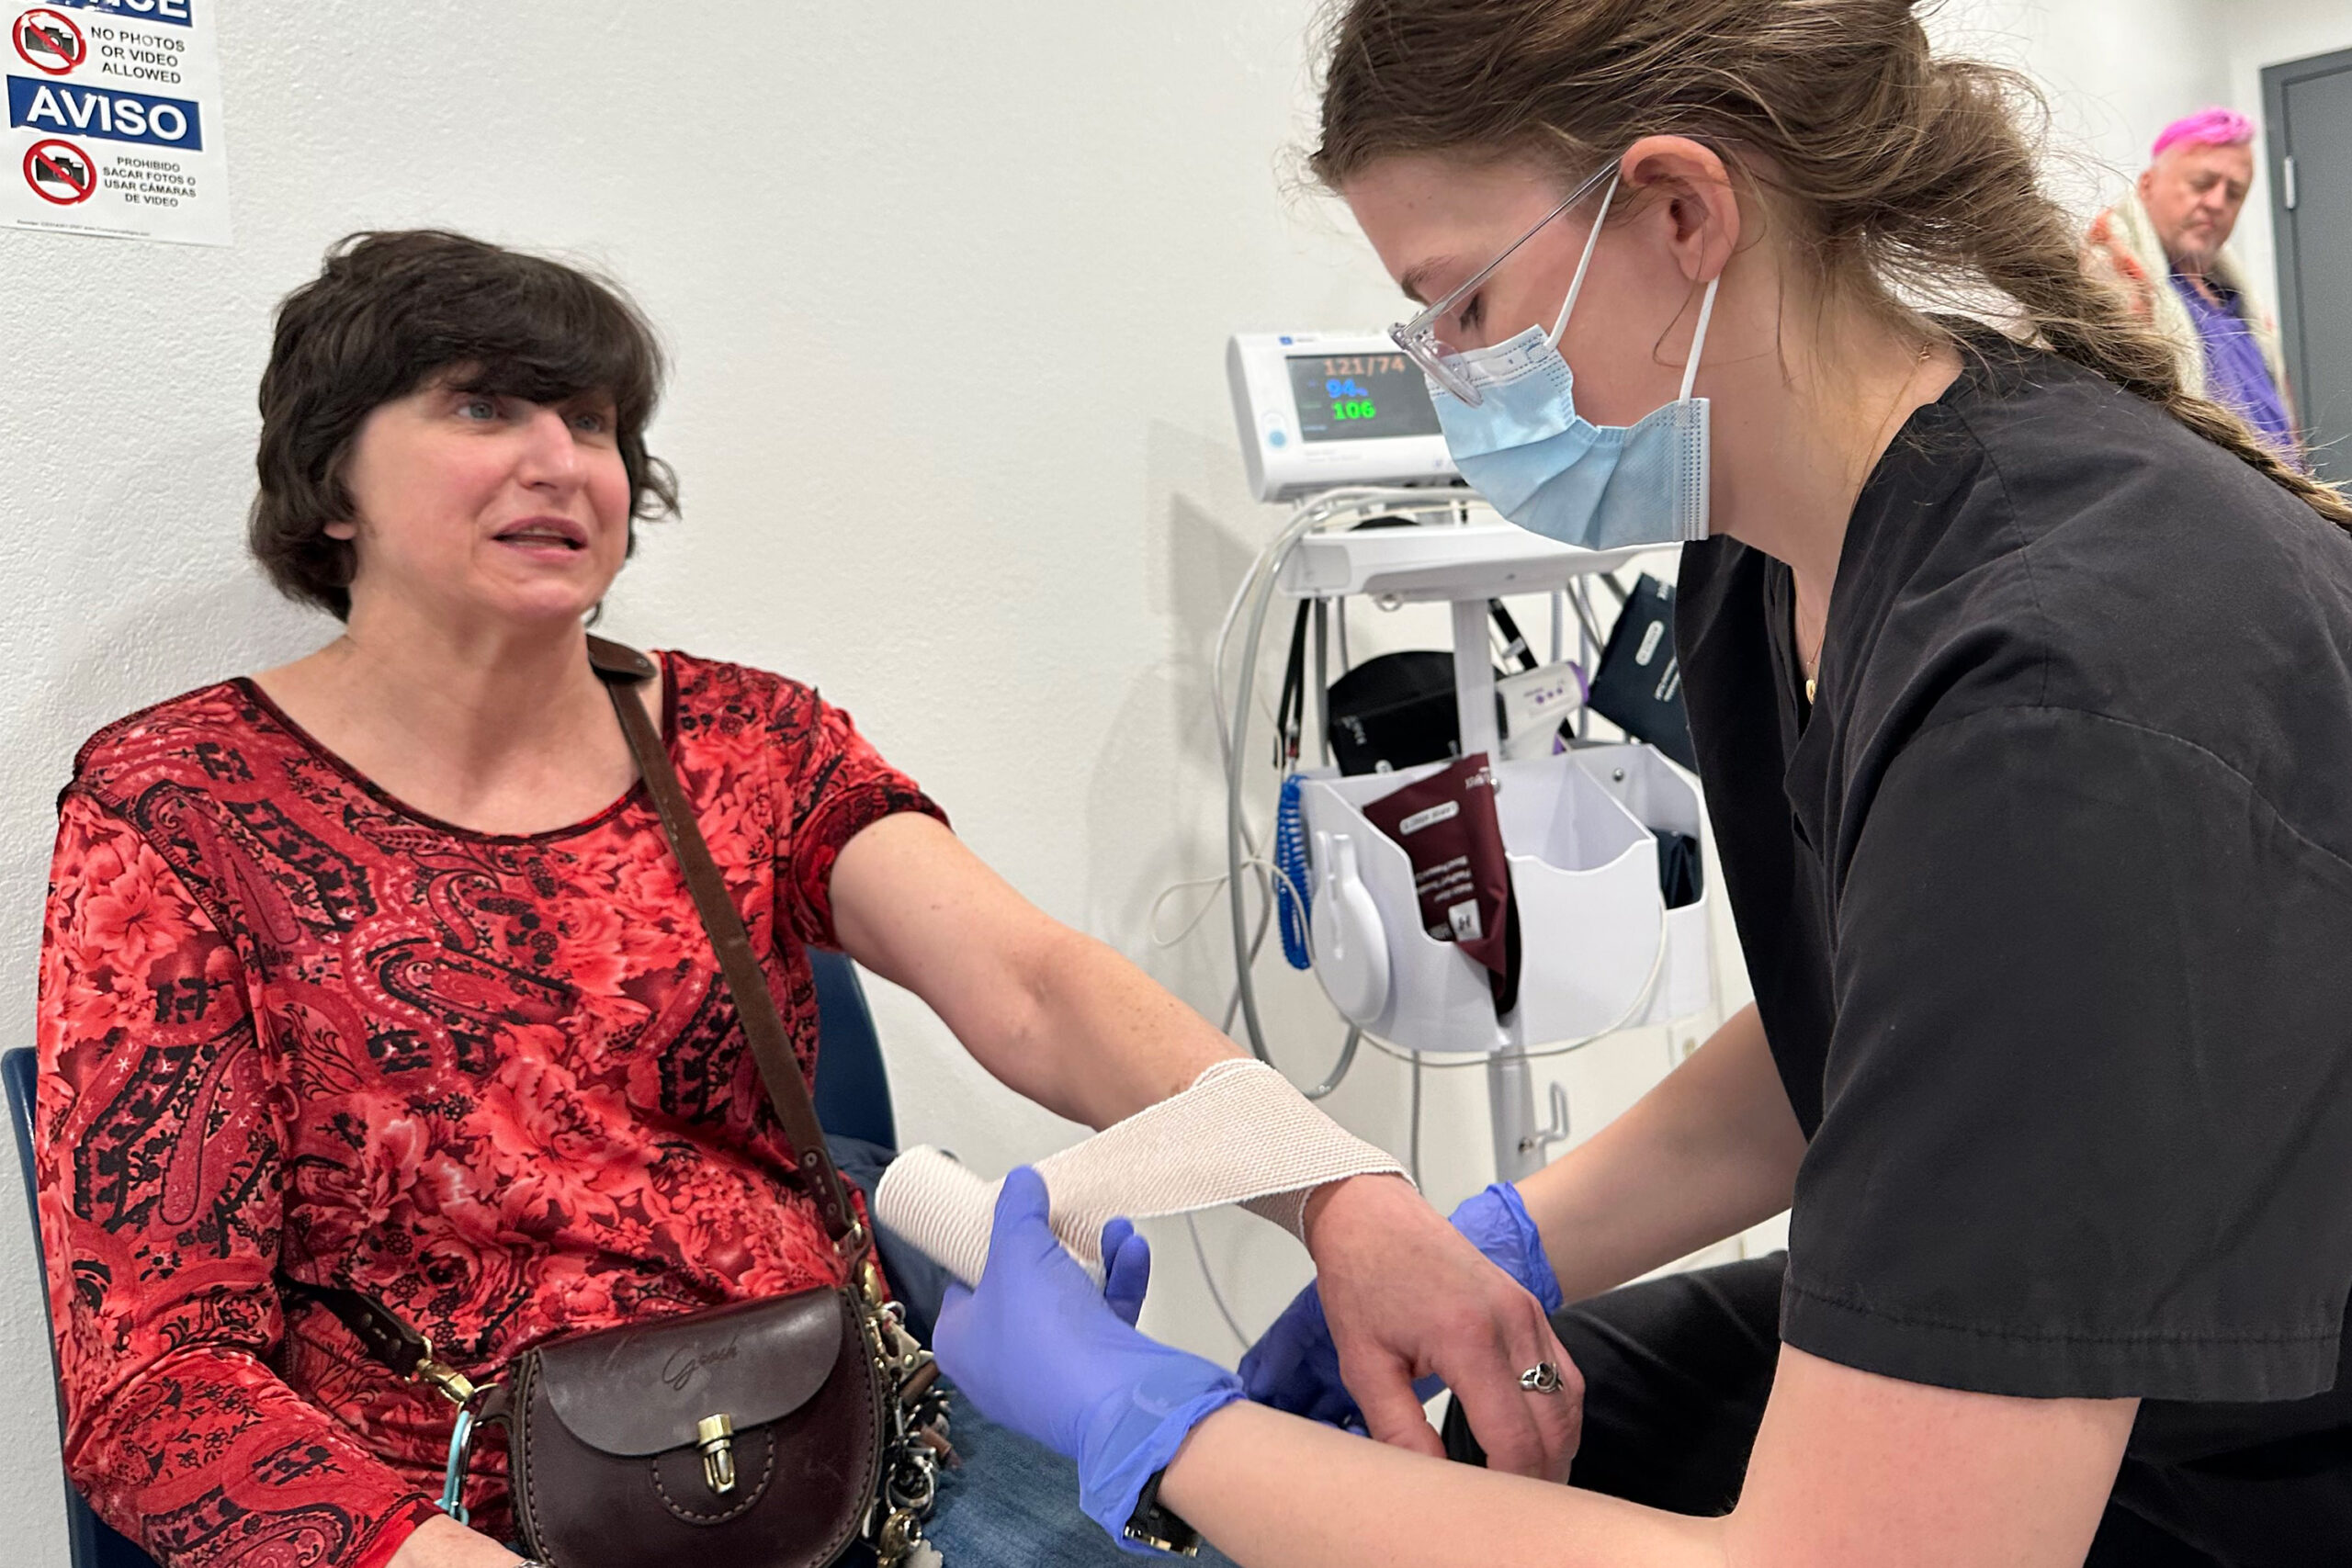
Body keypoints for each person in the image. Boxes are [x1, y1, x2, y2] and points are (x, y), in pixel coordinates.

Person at [931, 4, 2352, 1565]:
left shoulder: (2056, 700)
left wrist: (1158, 1427)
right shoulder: (1768, 566)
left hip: (2262, 1428)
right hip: (2121, 1297)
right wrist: (1508, 1242)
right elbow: (1892, 1026)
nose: (1448, 384)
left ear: (1680, 210)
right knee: (1522, 1409)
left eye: (1463, 307)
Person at [29, 229, 1575, 1568]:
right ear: (331, 481)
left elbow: (1033, 983)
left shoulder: (750, 743)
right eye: (483, 404)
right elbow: (155, 1375)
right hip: (439, 1509)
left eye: (593, 418)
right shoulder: (179, 804)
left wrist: (1336, 1191)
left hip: (840, 1445)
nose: (563, 459)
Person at [2084, 107, 2301, 464]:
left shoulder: (2239, 303)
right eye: (2202, 183)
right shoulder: (2102, 290)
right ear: (2148, 184)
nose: (2216, 203)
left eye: (2234, 193)